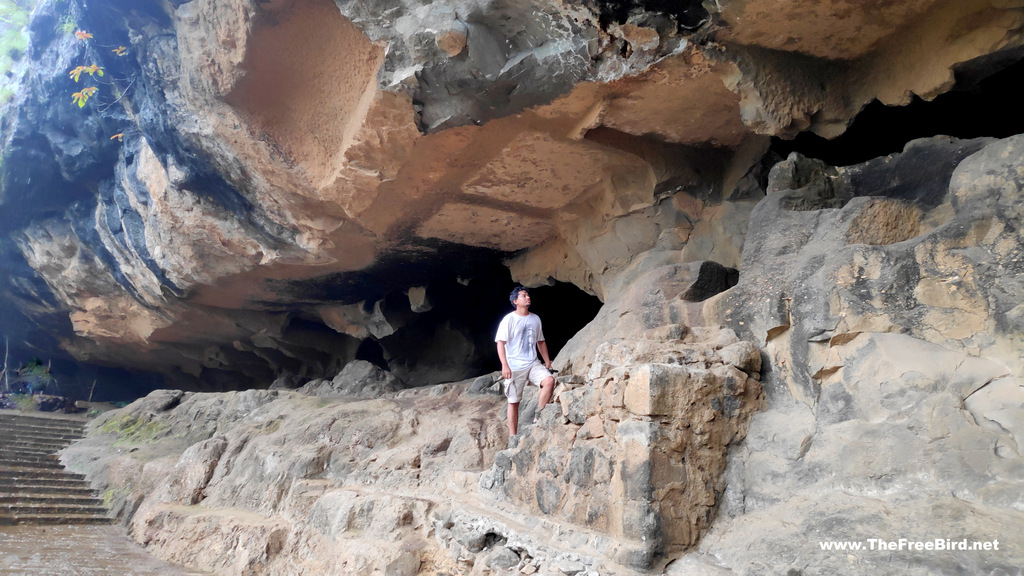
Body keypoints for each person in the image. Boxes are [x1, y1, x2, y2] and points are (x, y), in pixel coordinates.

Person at [495, 286, 555, 436]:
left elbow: (540, 341)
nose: (528, 297)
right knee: (514, 402)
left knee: (549, 381)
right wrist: (505, 365)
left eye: (527, 295)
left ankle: (538, 417)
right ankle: (513, 436)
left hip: (533, 363)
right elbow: (500, 343)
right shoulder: (509, 319)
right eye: (523, 296)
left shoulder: (535, 318)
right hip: (515, 366)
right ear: (516, 301)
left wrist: (547, 361)